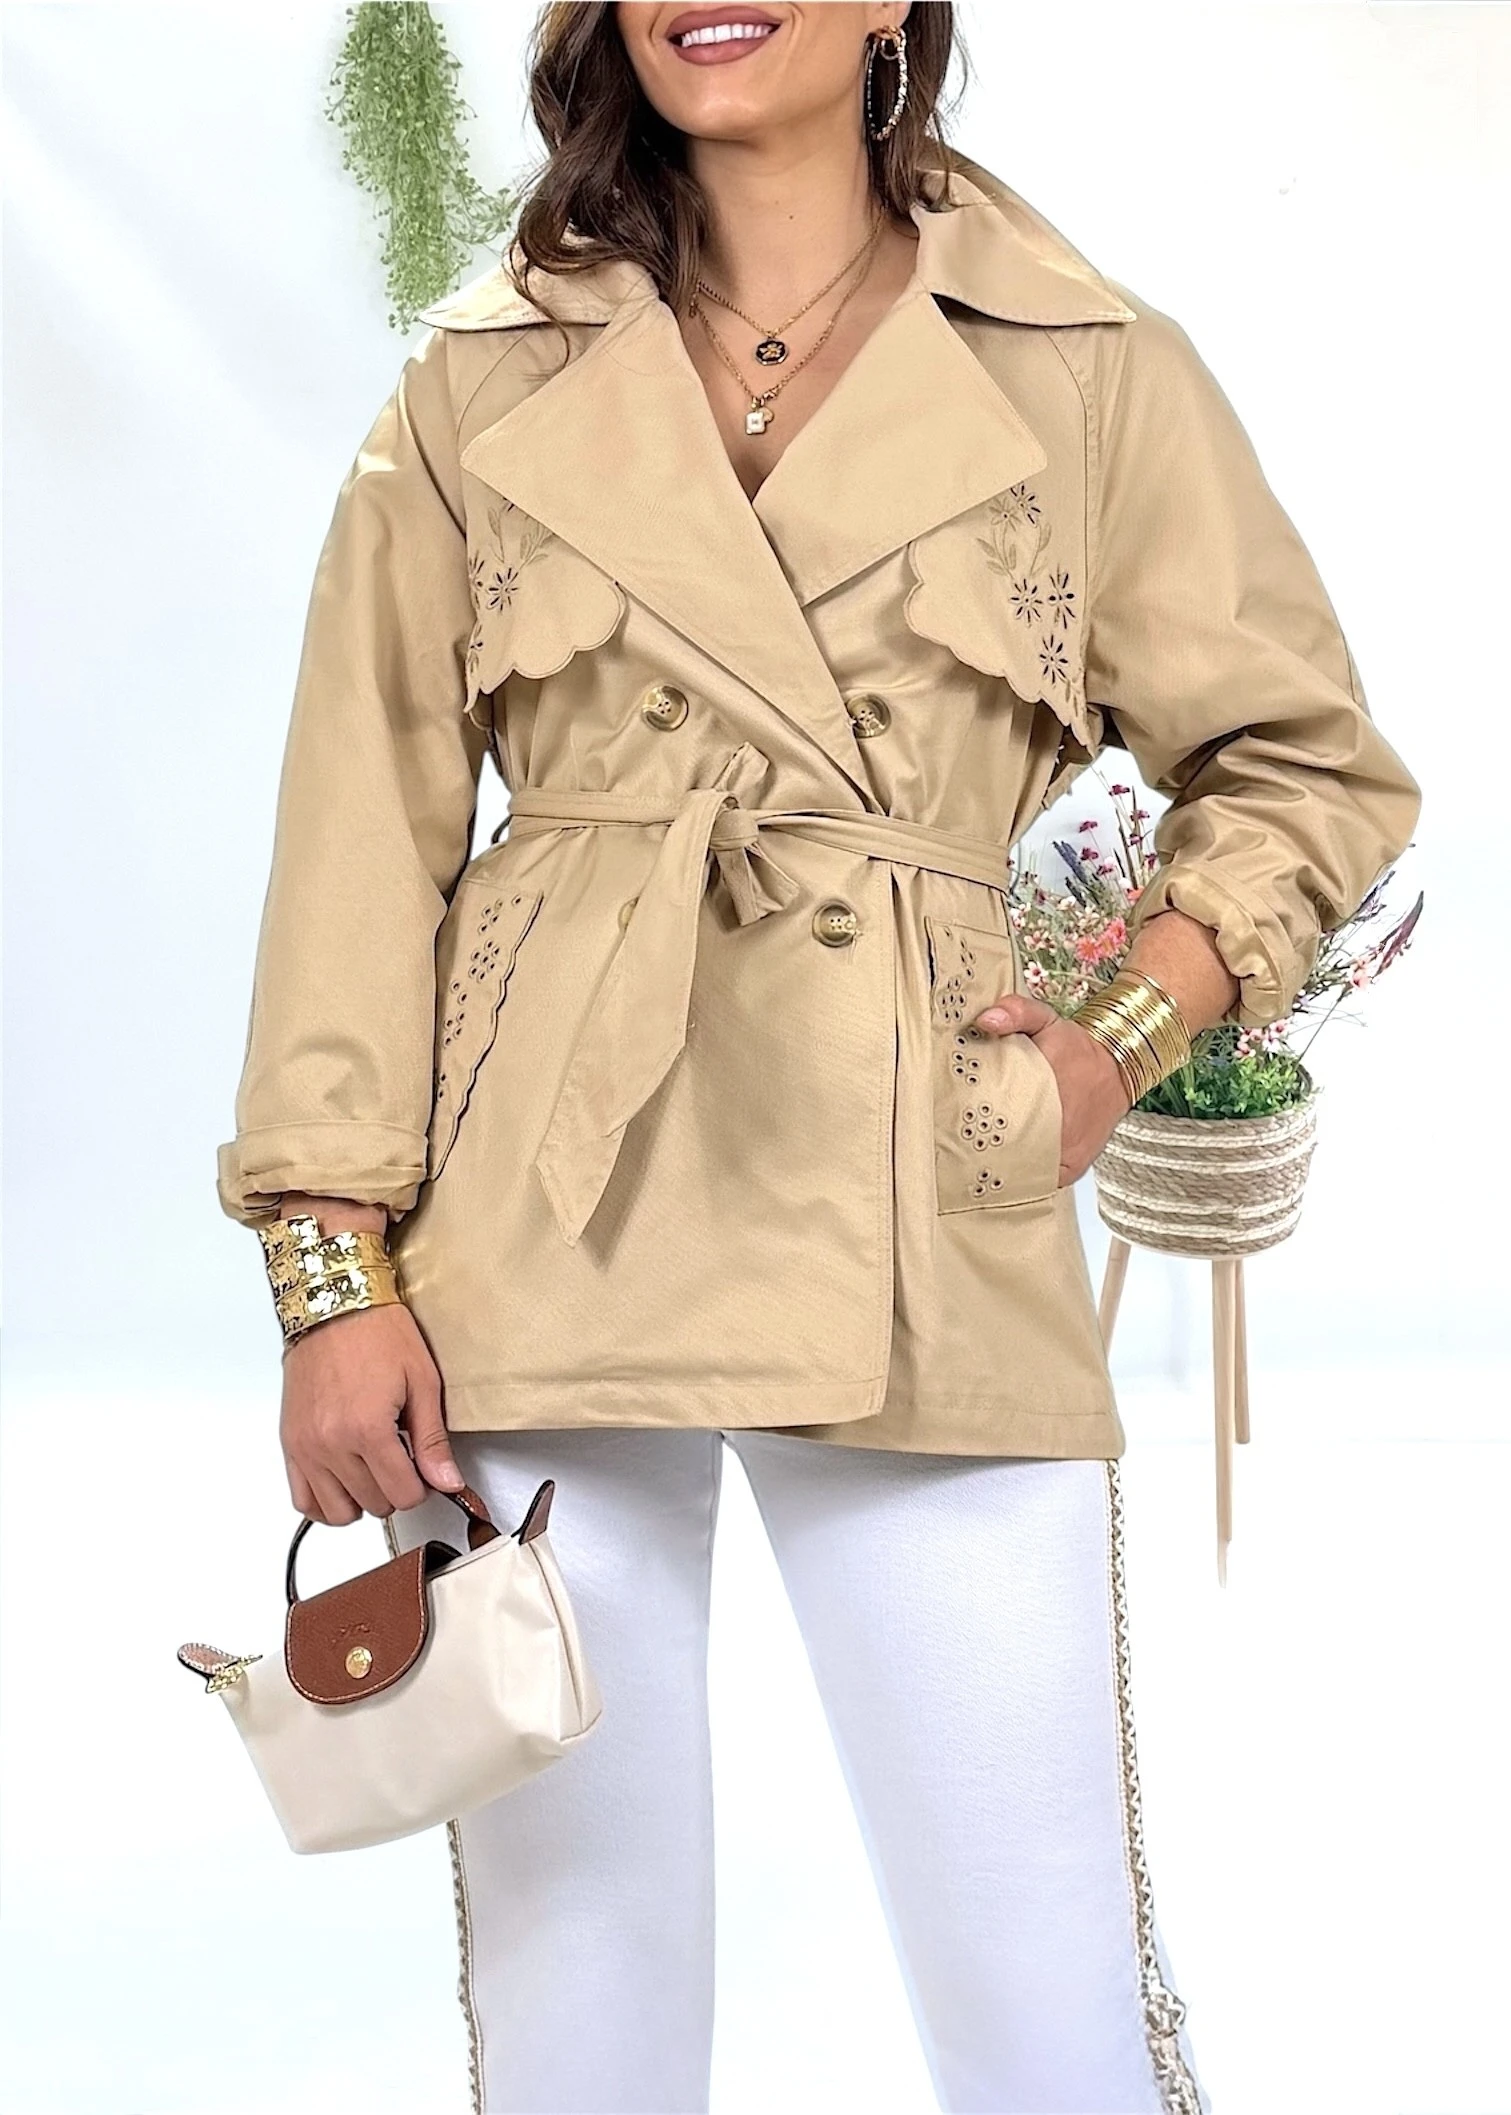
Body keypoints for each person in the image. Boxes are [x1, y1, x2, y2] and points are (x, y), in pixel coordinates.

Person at [216, 5, 1422, 2111]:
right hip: (539, 1222)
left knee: (1042, 2010)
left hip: (922, 1191)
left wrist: (1110, 1045)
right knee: (580, 2027)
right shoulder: (479, 375)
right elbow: (355, 834)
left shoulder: (1080, 366)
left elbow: (1302, 770)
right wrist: (331, 1269)